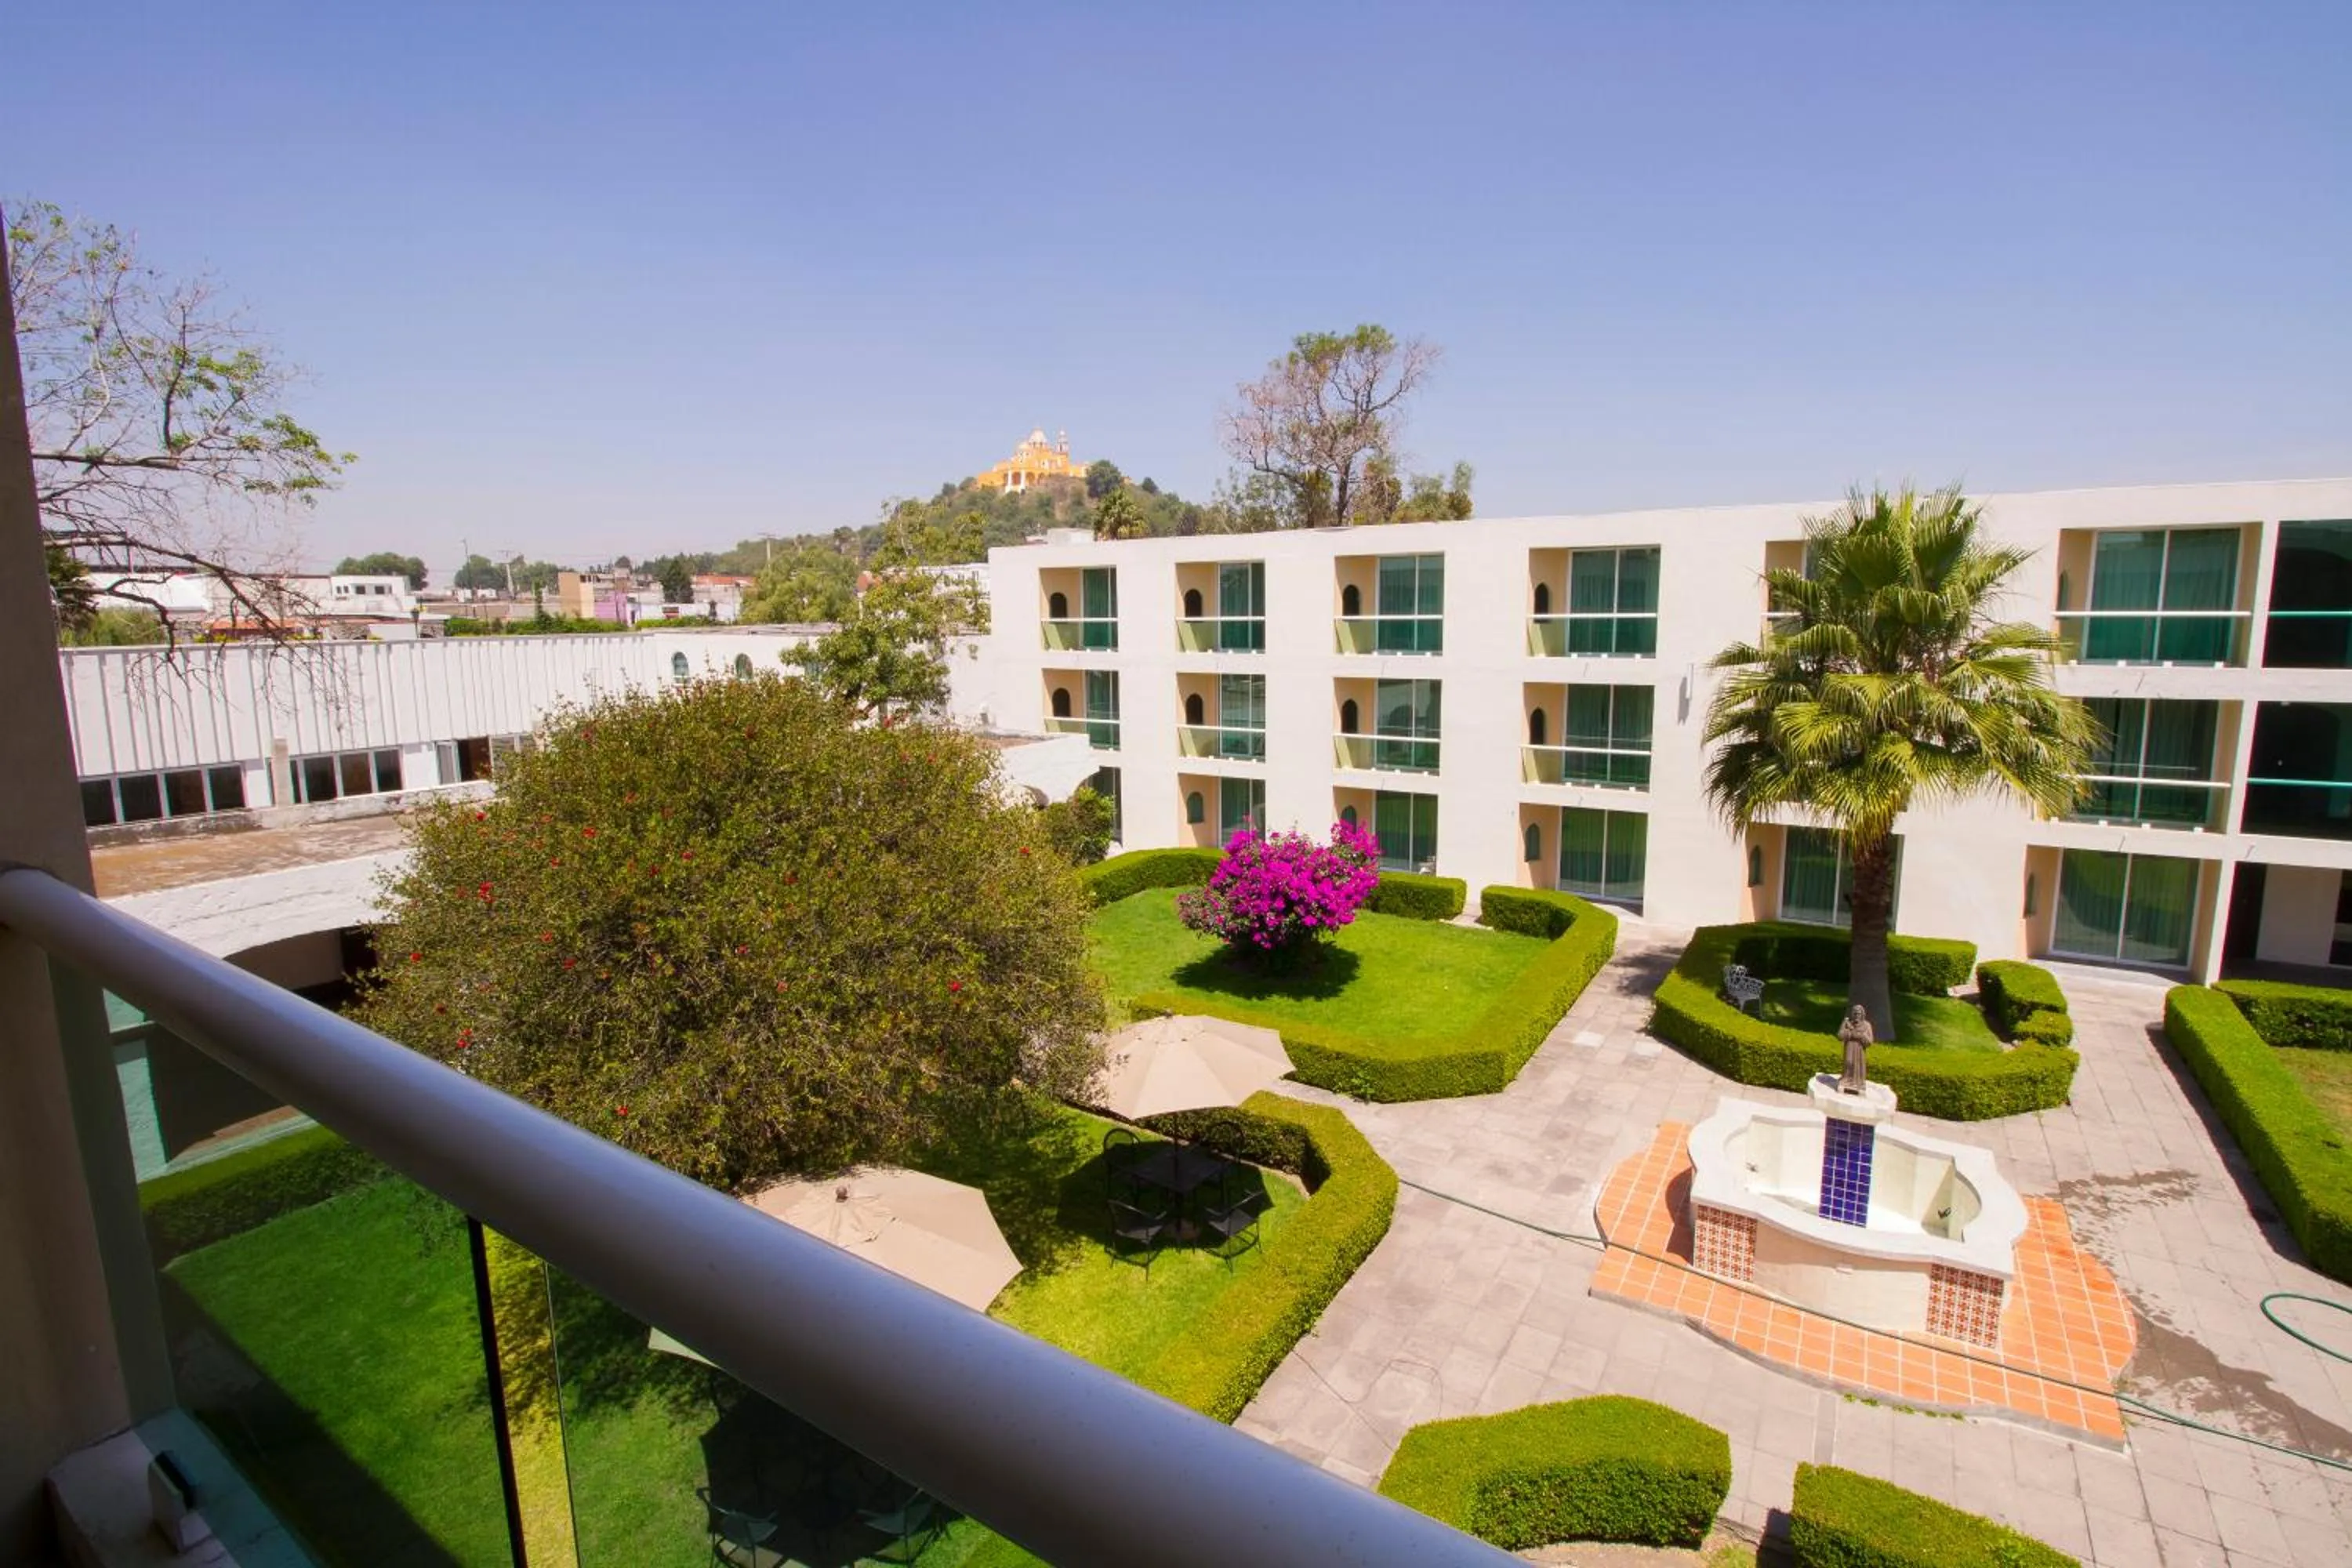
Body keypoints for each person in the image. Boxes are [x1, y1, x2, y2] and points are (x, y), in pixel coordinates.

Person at [1837, 1004, 1873, 1094]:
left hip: (1859, 1049)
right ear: (1852, 1014)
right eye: (1855, 1013)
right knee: (1849, 1062)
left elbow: (1870, 1041)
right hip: (1849, 1047)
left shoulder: (1867, 1025)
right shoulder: (1847, 1023)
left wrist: (1861, 1036)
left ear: (1862, 1015)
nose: (1857, 1015)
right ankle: (1846, 1079)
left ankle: (1859, 1082)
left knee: (1859, 1065)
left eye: (1859, 1014)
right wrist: (1849, 1033)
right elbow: (1840, 1036)